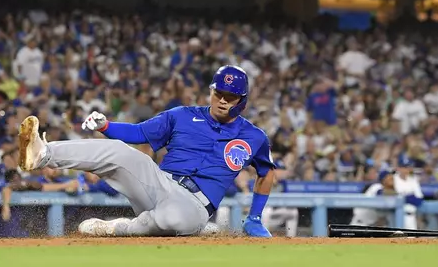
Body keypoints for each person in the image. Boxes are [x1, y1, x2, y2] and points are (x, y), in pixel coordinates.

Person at [18, 65, 276, 237]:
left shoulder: (254, 137)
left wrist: (254, 216)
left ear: (242, 100)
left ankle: (121, 228)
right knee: (120, 152)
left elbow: (266, 173)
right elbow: (139, 133)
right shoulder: (182, 115)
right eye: (218, 92)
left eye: (230, 96)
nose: (222, 100)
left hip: (196, 204)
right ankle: (43, 154)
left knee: (174, 216)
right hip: (159, 183)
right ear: (211, 91)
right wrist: (106, 125)